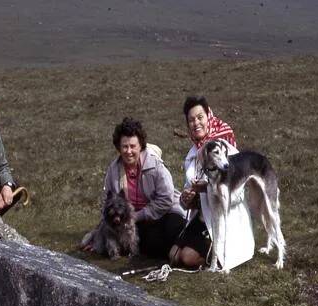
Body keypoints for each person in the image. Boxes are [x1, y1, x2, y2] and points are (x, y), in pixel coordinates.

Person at [170, 96, 254, 270]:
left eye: (200, 117)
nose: (196, 123)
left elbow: (239, 192)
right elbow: (189, 195)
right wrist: (187, 200)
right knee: (173, 255)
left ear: (209, 116)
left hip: (224, 217)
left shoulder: (224, 147)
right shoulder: (192, 155)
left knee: (186, 258)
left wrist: (208, 188)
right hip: (202, 217)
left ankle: (217, 257)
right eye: (191, 120)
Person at [86, 117, 185, 259]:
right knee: (150, 245)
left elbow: (166, 199)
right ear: (118, 148)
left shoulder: (156, 165)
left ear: (141, 146)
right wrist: (97, 236)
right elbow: (108, 205)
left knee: (174, 230)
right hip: (136, 223)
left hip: (165, 213)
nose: (128, 151)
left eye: (133, 146)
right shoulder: (113, 170)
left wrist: (138, 215)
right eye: (124, 146)